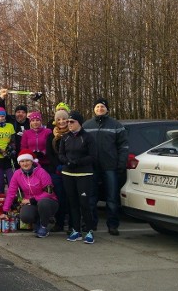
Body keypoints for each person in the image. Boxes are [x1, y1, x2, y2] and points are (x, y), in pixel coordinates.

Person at [83, 98, 128, 236]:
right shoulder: (86, 125)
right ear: (93, 109)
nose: (100, 109)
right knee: (91, 197)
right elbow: (82, 146)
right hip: (92, 167)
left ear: (107, 109)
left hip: (110, 166)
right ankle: (91, 224)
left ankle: (113, 225)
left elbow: (123, 146)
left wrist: (121, 163)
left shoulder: (116, 125)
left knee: (112, 198)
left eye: (102, 106)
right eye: (97, 106)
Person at [59, 111, 97, 244]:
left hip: (84, 174)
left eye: (71, 122)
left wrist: (77, 162)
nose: (68, 124)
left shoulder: (88, 137)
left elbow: (93, 156)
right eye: (68, 122)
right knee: (72, 203)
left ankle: (90, 231)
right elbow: (61, 154)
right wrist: (67, 162)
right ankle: (76, 230)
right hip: (68, 174)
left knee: (84, 203)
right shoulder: (65, 137)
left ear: (79, 123)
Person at [3, 150, 59, 238]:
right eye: (22, 161)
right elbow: (11, 192)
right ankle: (38, 222)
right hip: (31, 203)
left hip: (48, 201)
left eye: (27, 160)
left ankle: (44, 226)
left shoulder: (41, 172)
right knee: (25, 216)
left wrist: (31, 200)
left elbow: (49, 192)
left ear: (32, 161)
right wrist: (5, 211)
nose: (25, 164)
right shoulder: (17, 174)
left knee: (43, 203)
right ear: (19, 163)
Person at [45, 109, 71, 232]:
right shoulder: (51, 135)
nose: (61, 121)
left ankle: (72, 223)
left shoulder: (72, 133)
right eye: (58, 119)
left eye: (64, 119)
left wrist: (66, 164)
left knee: (70, 196)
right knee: (58, 196)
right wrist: (57, 166)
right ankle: (59, 222)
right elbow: (49, 154)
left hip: (70, 168)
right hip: (55, 170)